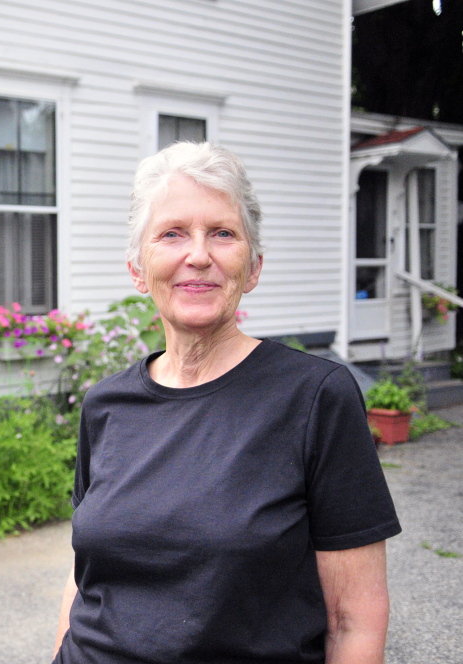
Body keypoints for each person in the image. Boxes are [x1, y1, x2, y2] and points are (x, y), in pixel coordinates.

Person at [52, 142, 401, 664]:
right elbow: (83, 582)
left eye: (222, 233)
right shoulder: (106, 405)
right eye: (172, 234)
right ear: (138, 269)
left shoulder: (314, 399)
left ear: (252, 267)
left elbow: (354, 620)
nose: (198, 255)